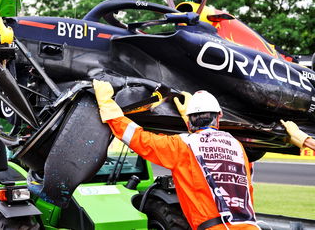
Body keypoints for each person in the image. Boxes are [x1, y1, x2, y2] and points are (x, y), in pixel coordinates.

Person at [93, 79, 314, 230]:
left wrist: (108, 105)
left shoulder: (182, 146)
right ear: (218, 119)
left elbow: (137, 138)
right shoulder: (237, 147)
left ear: (189, 121)